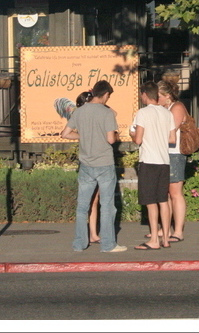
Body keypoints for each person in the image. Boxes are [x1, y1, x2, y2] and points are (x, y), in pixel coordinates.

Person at [60, 80, 126, 253]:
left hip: (86, 164)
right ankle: (108, 244)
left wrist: (83, 136)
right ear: (105, 95)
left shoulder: (79, 112)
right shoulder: (106, 113)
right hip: (104, 163)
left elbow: (65, 134)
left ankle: (80, 243)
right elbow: (111, 139)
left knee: (82, 207)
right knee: (107, 206)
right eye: (108, 96)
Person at [130, 81, 176, 250]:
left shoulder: (142, 113)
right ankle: (165, 238)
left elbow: (138, 139)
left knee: (150, 202)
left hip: (149, 161)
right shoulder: (166, 113)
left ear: (144, 95)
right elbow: (172, 139)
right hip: (164, 161)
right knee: (163, 200)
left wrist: (132, 133)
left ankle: (154, 240)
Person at [156, 79, 187, 244]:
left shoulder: (177, 107)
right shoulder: (162, 108)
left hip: (174, 153)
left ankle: (178, 230)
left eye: (158, 96)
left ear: (167, 96)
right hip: (161, 153)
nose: (156, 99)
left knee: (175, 192)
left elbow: (171, 131)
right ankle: (165, 228)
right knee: (164, 192)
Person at [75, 91, 102, 245]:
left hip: (96, 160)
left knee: (94, 199)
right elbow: (66, 132)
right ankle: (85, 235)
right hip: (87, 161)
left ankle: (92, 233)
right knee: (87, 200)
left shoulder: (96, 114)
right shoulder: (81, 116)